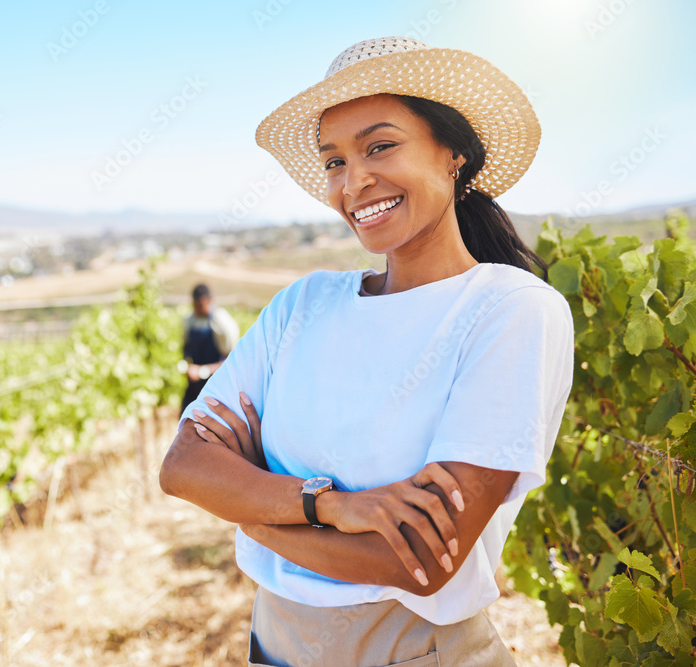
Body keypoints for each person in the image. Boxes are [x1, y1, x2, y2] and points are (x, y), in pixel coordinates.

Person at [160, 36, 575, 666]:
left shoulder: (509, 309)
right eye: (334, 161)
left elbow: (419, 562)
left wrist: (252, 512)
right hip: (269, 647)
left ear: (453, 153)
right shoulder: (303, 304)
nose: (354, 181)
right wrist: (333, 506)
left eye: (380, 146)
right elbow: (184, 468)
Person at [179, 283, 240, 413]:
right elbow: (186, 348)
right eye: (195, 306)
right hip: (194, 387)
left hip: (216, 388)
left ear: (209, 301)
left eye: (200, 306)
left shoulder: (223, 323)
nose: (198, 310)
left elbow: (231, 361)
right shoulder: (190, 321)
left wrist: (203, 371)